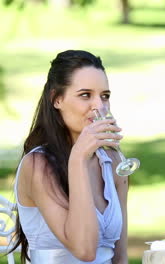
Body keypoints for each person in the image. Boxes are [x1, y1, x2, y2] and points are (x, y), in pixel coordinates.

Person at [8, 50, 128, 263]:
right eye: (85, 95)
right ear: (56, 99)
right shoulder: (38, 166)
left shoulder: (113, 162)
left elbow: (120, 256)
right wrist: (78, 158)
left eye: (105, 96)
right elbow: (85, 251)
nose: (99, 106)